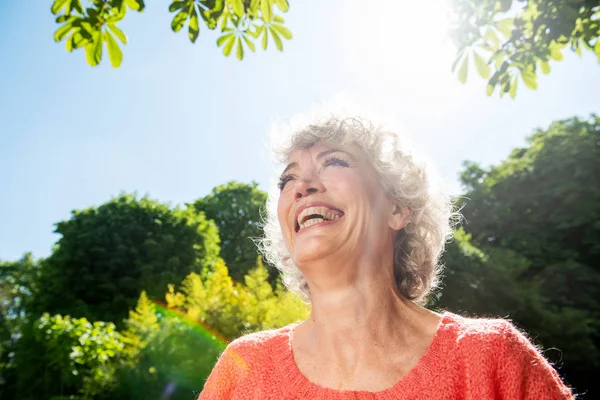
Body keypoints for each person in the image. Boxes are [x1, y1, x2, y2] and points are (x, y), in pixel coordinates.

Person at [199, 115, 573, 399]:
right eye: (287, 180)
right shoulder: (242, 372)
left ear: (397, 208)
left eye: (335, 162)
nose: (302, 186)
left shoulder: (490, 358)